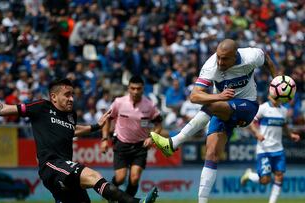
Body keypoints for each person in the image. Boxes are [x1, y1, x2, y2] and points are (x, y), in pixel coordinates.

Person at [0, 78, 158, 203]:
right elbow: (4, 109)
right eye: (67, 95)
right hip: (51, 165)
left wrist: (95, 126)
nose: (71, 99)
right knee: (93, 176)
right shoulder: (41, 107)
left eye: (73, 95)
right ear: (54, 97)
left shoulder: (70, 116)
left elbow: (72, 131)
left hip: (62, 171)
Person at [151, 39, 277, 203]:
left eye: (224, 59)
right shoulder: (211, 66)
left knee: (212, 106)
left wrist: (277, 79)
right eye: (218, 57)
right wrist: (218, 96)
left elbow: (266, 58)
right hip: (222, 106)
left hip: (247, 107)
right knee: (211, 154)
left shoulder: (250, 56)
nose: (220, 61)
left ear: (235, 56)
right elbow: (194, 96)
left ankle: (174, 142)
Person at [101, 76, 163, 200]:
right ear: (128, 88)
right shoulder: (119, 102)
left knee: (134, 178)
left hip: (140, 146)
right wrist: (104, 139)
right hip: (121, 143)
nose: (135, 91)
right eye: (133, 88)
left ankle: (126, 201)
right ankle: (110, 195)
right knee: (120, 178)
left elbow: (159, 124)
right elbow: (107, 119)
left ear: (143, 89)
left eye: (138, 88)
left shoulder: (149, 105)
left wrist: (152, 137)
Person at [240, 94, 300, 203]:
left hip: (278, 150)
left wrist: (291, 135)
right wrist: (257, 133)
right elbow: (251, 122)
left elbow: (284, 125)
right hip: (264, 150)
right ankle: (249, 175)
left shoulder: (284, 111)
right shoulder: (263, 108)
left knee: (279, 175)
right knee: (265, 180)